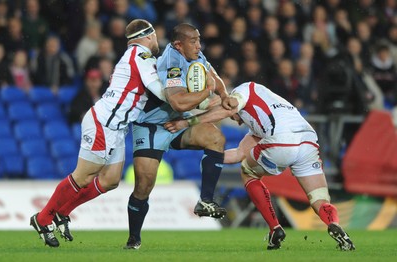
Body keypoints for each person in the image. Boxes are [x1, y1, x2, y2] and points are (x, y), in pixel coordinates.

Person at [164, 81, 356, 251]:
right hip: (308, 140)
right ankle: (334, 224)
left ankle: (275, 228)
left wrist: (188, 123)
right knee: (320, 199)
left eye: (233, 116)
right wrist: (211, 157)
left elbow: (229, 107)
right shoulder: (267, 113)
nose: (234, 120)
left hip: (281, 140)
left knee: (248, 172)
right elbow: (238, 154)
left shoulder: (245, 89)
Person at [30, 19, 166, 248]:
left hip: (116, 127)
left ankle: (62, 212)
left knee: (111, 180)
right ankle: (43, 219)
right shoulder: (141, 56)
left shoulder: (135, 56)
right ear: (148, 36)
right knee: (82, 177)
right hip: (104, 123)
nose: (157, 41)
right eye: (155, 36)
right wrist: (190, 96)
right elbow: (161, 93)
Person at [124, 23, 236, 249]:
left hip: (178, 122)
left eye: (199, 39)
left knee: (216, 138)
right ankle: (134, 238)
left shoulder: (196, 54)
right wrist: (207, 92)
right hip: (151, 126)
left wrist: (223, 94)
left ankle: (205, 201)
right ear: (178, 44)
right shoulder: (170, 62)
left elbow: (212, 74)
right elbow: (177, 101)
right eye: (193, 41)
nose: (199, 45)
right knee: (144, 186)